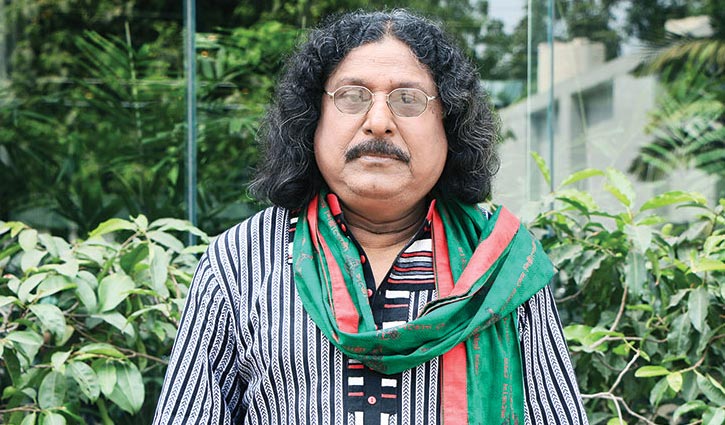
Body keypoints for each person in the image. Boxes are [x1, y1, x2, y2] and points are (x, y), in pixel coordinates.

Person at [153, 9, 588, 425]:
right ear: (313, 118)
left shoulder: (502, 264)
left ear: (449, 124)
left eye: (408, 99)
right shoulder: (240, 262)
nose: (379, 122)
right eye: (352, 96)